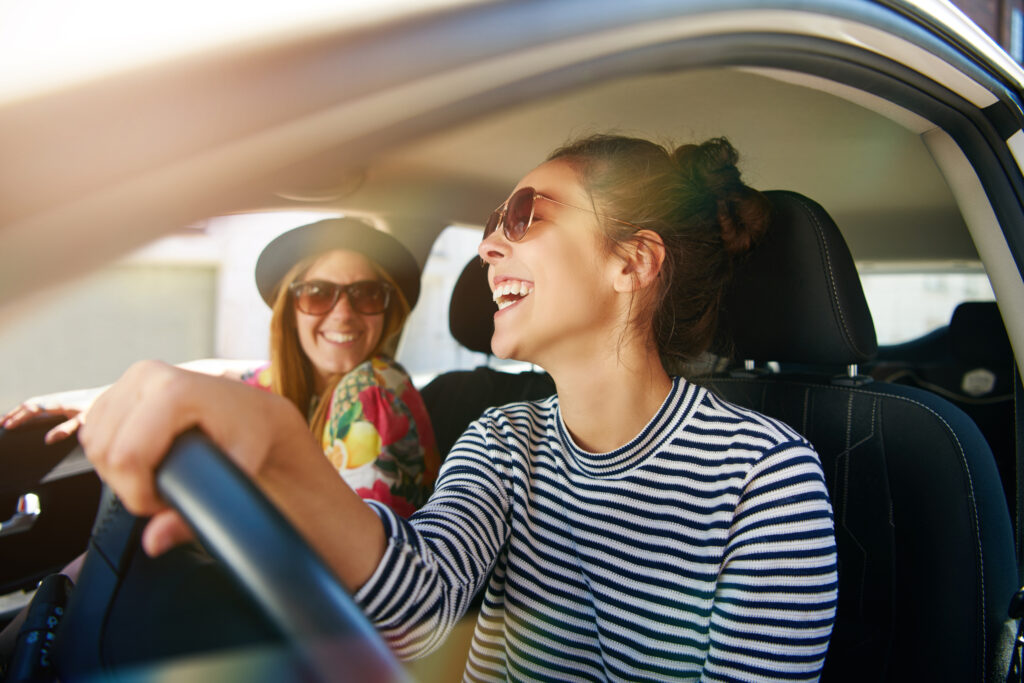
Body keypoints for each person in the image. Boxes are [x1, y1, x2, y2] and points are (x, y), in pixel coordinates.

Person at [79, 134, 838, 680]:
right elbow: (421, 604)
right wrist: (281, 450)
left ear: (631, 262)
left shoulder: (765, 476)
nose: (486, 250)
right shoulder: (505, 438)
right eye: (486, 230)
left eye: (523, 215)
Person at [1, 218, 440, 514]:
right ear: (291, 310)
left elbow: (359, 562)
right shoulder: (299, 383)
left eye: (365, 295)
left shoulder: (373, 389)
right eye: (319, 294)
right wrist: (96, 397)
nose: (343, 315)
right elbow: (221, 373)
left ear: (387, 311)